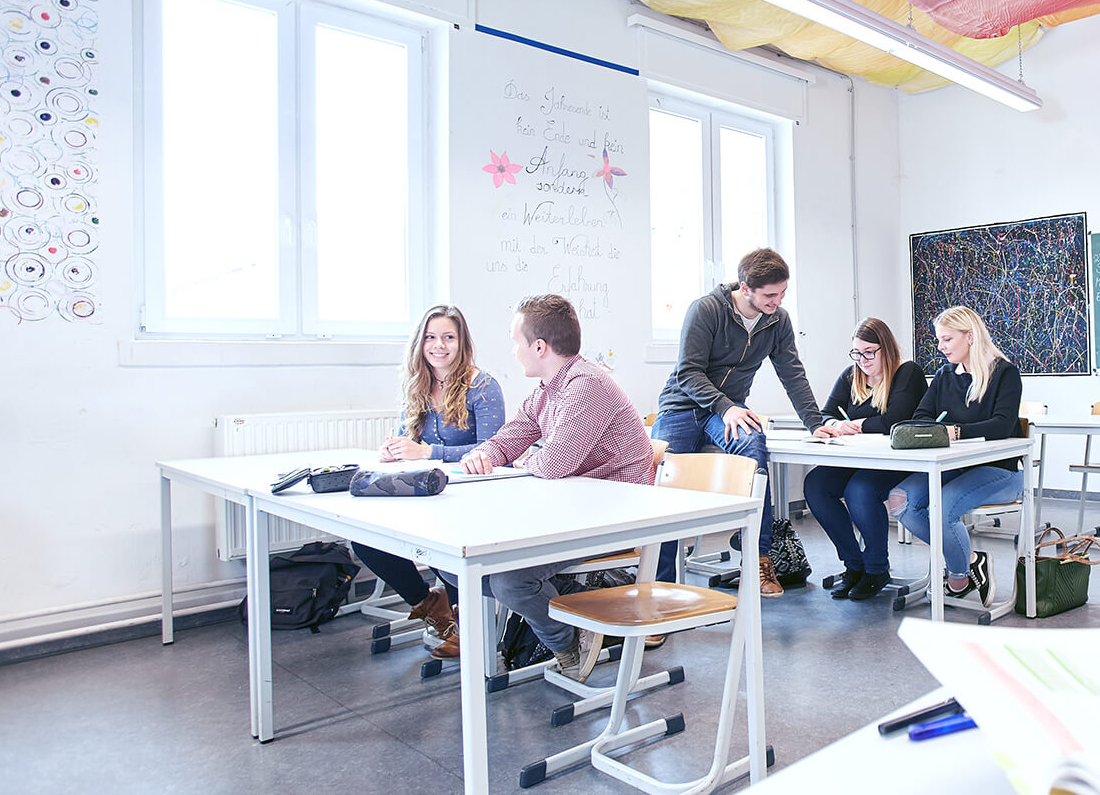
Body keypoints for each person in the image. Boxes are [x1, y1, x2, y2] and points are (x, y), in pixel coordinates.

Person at [441, 294, 656, 681]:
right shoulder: (548, 389)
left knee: (510, 580)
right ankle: (576, 613)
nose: (513, 351)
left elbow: (554, 464)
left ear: (539, 347)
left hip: (615, 516)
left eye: (516, 341)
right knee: (458, 568)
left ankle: (568, 641)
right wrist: (485, 453)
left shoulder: (586, 385)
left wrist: (522, 461)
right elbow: (510, 437)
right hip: (573, 509)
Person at [652, 248, 826, 598]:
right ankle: (660, 582)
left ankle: (759, 558)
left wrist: (815, 423)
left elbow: (792, 373)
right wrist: (725, 406)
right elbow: (688, 372)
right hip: (682, 407)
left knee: (753, 443)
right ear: (745, 289)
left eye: (782, 293)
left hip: (728, 409)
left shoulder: (777, 321)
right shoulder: (706, 310)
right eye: (770, 295)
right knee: (664, 478)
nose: (777, 301)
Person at [350, 305, 505, 659]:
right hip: (423, 493)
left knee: (441, 542)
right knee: (365, 540)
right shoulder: (416, 384)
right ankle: (430, 605)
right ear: (420, 343)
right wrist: (394, 450)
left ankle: (467, 623)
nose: (439, 345)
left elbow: (495, 450)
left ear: (462, 342)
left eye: (448, 337)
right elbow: (407, 440)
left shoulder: (483, 386)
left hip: (468, 497)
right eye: (431, 338)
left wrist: (428, 452)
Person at [887, 306, 1024, 604]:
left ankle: (959, 575)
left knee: (943, 508)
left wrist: (956, 431)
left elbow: (1002, 425)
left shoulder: (1005, 373)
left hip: (1000, 470)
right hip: (956, 467)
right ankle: (971, 560)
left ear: (970, 337)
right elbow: (921, 416)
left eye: (947, 339)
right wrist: (939, 430)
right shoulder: (945, 375)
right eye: (939, 340)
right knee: (900, 500)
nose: (941, 347)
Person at [802, 318, 928, 600]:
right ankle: (854, 564)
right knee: (816, 485)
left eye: (869, 352)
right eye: (857, 353)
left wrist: (857, 425)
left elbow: (896, 421)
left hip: (899, 461)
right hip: (859, 459)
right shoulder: (852, 375)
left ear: (886, 348)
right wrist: (835, 424)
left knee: (859, 490)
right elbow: (826, 413)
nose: (862, 360)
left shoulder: (907, 373)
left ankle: (876, 568)